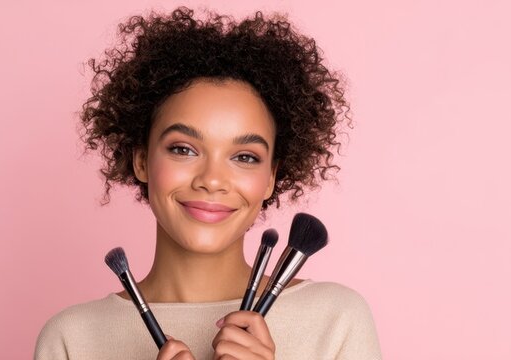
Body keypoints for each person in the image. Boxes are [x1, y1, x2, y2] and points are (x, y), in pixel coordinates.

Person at [35, 6, 381, 360]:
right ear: (141, 159)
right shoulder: (71, 339)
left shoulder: (336, 321)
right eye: (183, 149)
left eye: (245, 156)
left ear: (270, 178)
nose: (212, 180)